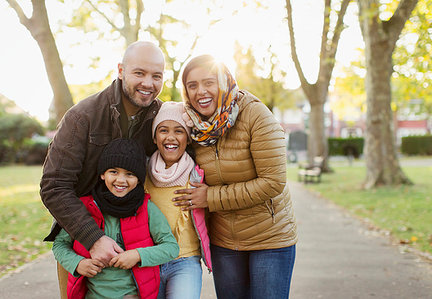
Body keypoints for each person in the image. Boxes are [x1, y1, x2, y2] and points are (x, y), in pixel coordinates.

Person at [40, 41, 165, 297]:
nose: (148, 83)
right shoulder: (82, 117)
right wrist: (93, 238)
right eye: (139, 73)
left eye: (156, 76)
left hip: (133, 243)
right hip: (81, 241)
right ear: (121, 70)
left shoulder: (160, 117)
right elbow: (54, 185)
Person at [173, 54, 298, 299]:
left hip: (269, 239)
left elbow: (272, 182)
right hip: (224, 242)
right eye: (192, 85)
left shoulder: (255, 115)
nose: (201, 91)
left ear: (224, 81)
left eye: (209, 82)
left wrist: (210, 197)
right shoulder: (191, 124)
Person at [52, 139, 180, 299]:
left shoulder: (146, 208)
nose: (121, 180)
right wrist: (78, 264)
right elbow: (59, 245)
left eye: (130, 174)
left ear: (139, 179)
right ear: (102, 174)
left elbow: (171, 248)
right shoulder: (84, 208)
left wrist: (137, 255)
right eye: (114, 171)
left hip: (132, 295)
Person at [144, 101, 212, 299]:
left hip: (185, 260)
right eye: (163, 130)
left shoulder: (198, 174)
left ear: (188, 138)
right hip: (149, 260)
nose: (171, 137)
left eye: (179, 131)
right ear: (155, 137)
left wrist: (211, 195)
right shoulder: (143, 171)